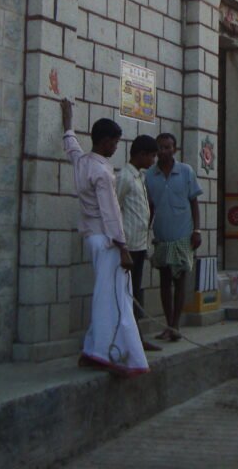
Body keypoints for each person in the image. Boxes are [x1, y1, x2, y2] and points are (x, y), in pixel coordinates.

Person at [60, 99, 149, 377]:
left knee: (106, 294)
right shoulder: (102, 172)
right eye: (114, 142)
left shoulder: (82, 162)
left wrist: (68, 122)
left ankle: (97, 348)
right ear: (105, 141)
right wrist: (123, 248)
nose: (115, 148)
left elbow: (71, 145)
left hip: (93, 239)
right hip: (107, 239)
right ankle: (106, 351)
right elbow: (111, 213)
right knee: (112, 298)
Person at [145, 133, 203, 342]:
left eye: (168, 147)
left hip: (183, 236)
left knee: (180, 280)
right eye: (160, 147)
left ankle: (176, 325)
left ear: (174, 150)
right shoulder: (150, 176)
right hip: (162, 235)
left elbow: (194, 204)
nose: (164, 151)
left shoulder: (186, 171)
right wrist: (145, 232)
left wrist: (197, 231)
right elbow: (149, 208)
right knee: (164, 280)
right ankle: (168, 324)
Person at [116, 134, 161, 352]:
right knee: (127, 295)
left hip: (139, 245)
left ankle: (135, 339)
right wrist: (120, 245)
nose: (153, 161)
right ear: (141, 155)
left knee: (134, 293)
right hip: (128, 247)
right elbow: (113, 209)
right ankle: (129, 340)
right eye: (152, 156)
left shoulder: (139, 177)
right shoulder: (124, 177)